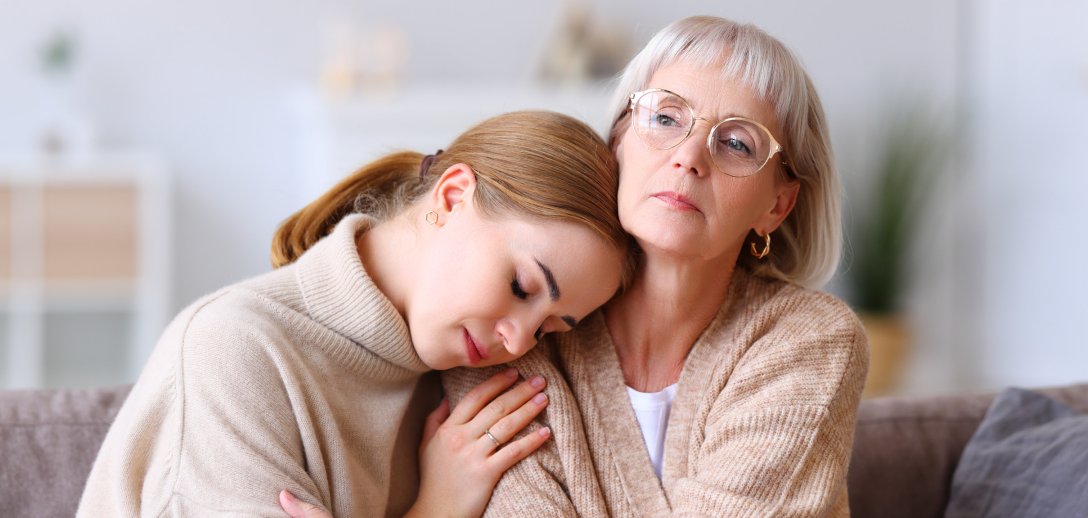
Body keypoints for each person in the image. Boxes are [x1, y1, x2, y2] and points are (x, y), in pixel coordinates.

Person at [76, 110, 631, 517]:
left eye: (551, 326)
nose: (517, 341)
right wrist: (435, 509)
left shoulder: (463, 391)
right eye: (521, 285)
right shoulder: (232, 353)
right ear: (453, 196)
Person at [438, 16, 870, 517]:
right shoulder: (515, 327)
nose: (689, 157)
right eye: (665, 118)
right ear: (618, 140)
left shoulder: (810, 339)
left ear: (777, 205)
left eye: (736, 143)